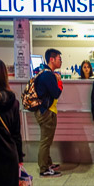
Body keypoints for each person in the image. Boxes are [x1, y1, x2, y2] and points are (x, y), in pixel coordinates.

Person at [34, 49, 63, 177]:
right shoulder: (48, 75)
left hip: (45, 111)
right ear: (52, 59)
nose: (60, 61)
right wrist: (59, 81)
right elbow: (56, 93)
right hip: (47, 112)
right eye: (59, 59)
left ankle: (47, 162)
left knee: (47, 140)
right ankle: (43, 169)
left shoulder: (45, 73)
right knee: (45, 141)